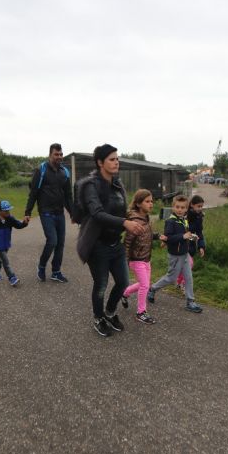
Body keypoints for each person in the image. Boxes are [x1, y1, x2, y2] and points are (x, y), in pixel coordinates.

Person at [76, 144, 146, 337]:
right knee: (101, 285)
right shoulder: (90, 186)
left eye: (117, 159)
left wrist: (135, 219)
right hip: (97, 245)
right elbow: (97, 213)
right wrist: (125, 223)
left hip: (116, 243)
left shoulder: (117, 184)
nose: (117, 162)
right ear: (100, 162)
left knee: (123, 282)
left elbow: (122, 211)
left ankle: (109, 312)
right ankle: (98, 318)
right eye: (112, 159)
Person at [24, 143, 72, 282]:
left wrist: (73, 213)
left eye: (61, 154)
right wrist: (28, 212)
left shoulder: (65, 172)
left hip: (59, 213)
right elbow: (33, 192)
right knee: (52, 241)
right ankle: (42, 266)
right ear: (50, 155)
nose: (59, 157)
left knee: (60, 244)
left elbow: (68, 195)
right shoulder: (41, 170)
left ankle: (56, 272)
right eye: (56, 154)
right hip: (46, 212)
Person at [147, 195, 203, 313]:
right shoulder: (170, 221)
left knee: (188, 278)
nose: (180, 210)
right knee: (171, 278)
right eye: (177, 207)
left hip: (185, 254)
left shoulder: (184, 219)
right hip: (175, 256)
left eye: (182, 207)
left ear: (186, 209)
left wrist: (193, 237)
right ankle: (152, 289)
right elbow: (168, 238)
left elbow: (185, 235)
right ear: (173, 207)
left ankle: (190, 301)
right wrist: (183, 236)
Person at [120, 189, 160, 324]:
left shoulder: (145, 217)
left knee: (144, 284)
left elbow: (146, 234)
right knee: (145, 285)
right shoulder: (135, 221)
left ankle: (124, 293)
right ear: (138, 204)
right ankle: (141, 312)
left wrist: (158, 236)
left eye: (152, 201)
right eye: (147, 201)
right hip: (136, 259)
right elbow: (127, 243)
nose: (151, 204)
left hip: (146, 258)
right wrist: (125, 262)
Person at [0, 200, 27, 286]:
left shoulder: (10, 218)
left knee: (0, 259)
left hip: (6, 243)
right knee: (5, 261)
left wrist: (24, 223)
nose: (8, 212)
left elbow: (18, 225)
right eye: (5, 211)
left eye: (9, 210)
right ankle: (12, 277)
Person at [177, 195, 206, 291]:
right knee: (189, 264)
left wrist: (201, 246)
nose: (200, 208)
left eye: (201, 206)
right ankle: (182, 283)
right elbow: (180, 230)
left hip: (191, 246)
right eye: (198, 206)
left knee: (185, 265)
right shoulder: (185, 215)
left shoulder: (199, 217)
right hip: (181, 244)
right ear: (192, 205)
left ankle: (179, 282)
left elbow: (199, 233)